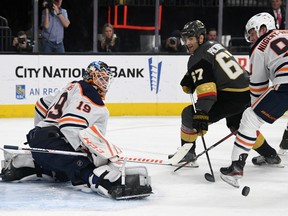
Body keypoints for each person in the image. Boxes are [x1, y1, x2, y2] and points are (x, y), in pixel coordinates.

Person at [0, 61, 152, 199]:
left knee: (63, 174)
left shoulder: (73, 85)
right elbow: (68, 125)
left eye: (107, 79)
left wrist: (39, 132)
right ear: (91, 77)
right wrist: (87, 154)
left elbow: (41, 105)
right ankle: (109, 183)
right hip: (54, 145)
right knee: (85, 166)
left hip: (38, 142)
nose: (105, 82)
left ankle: (25, 165)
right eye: (102, 78)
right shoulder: (91, 95)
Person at [169, 20, 280, 168]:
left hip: (231, 96)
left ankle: (188, 154)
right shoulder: (215, 45)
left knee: (189, 114)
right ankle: (270, 155)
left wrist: (201, 114)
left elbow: (208, 93)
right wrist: (191, 76)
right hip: (247, 91)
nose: (187, 43)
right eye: (185, 39)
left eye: (191, 38)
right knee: (238, 125)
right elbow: (214, 68)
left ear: (201, 38)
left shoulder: (197, 58)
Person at [220, 12, 288, 188]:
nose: (251, 37)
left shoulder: (260, 46)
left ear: (263, 29)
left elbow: (258, 87)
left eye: (252, 32)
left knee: (249, 118)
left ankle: (236, 168)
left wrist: (253, 107)